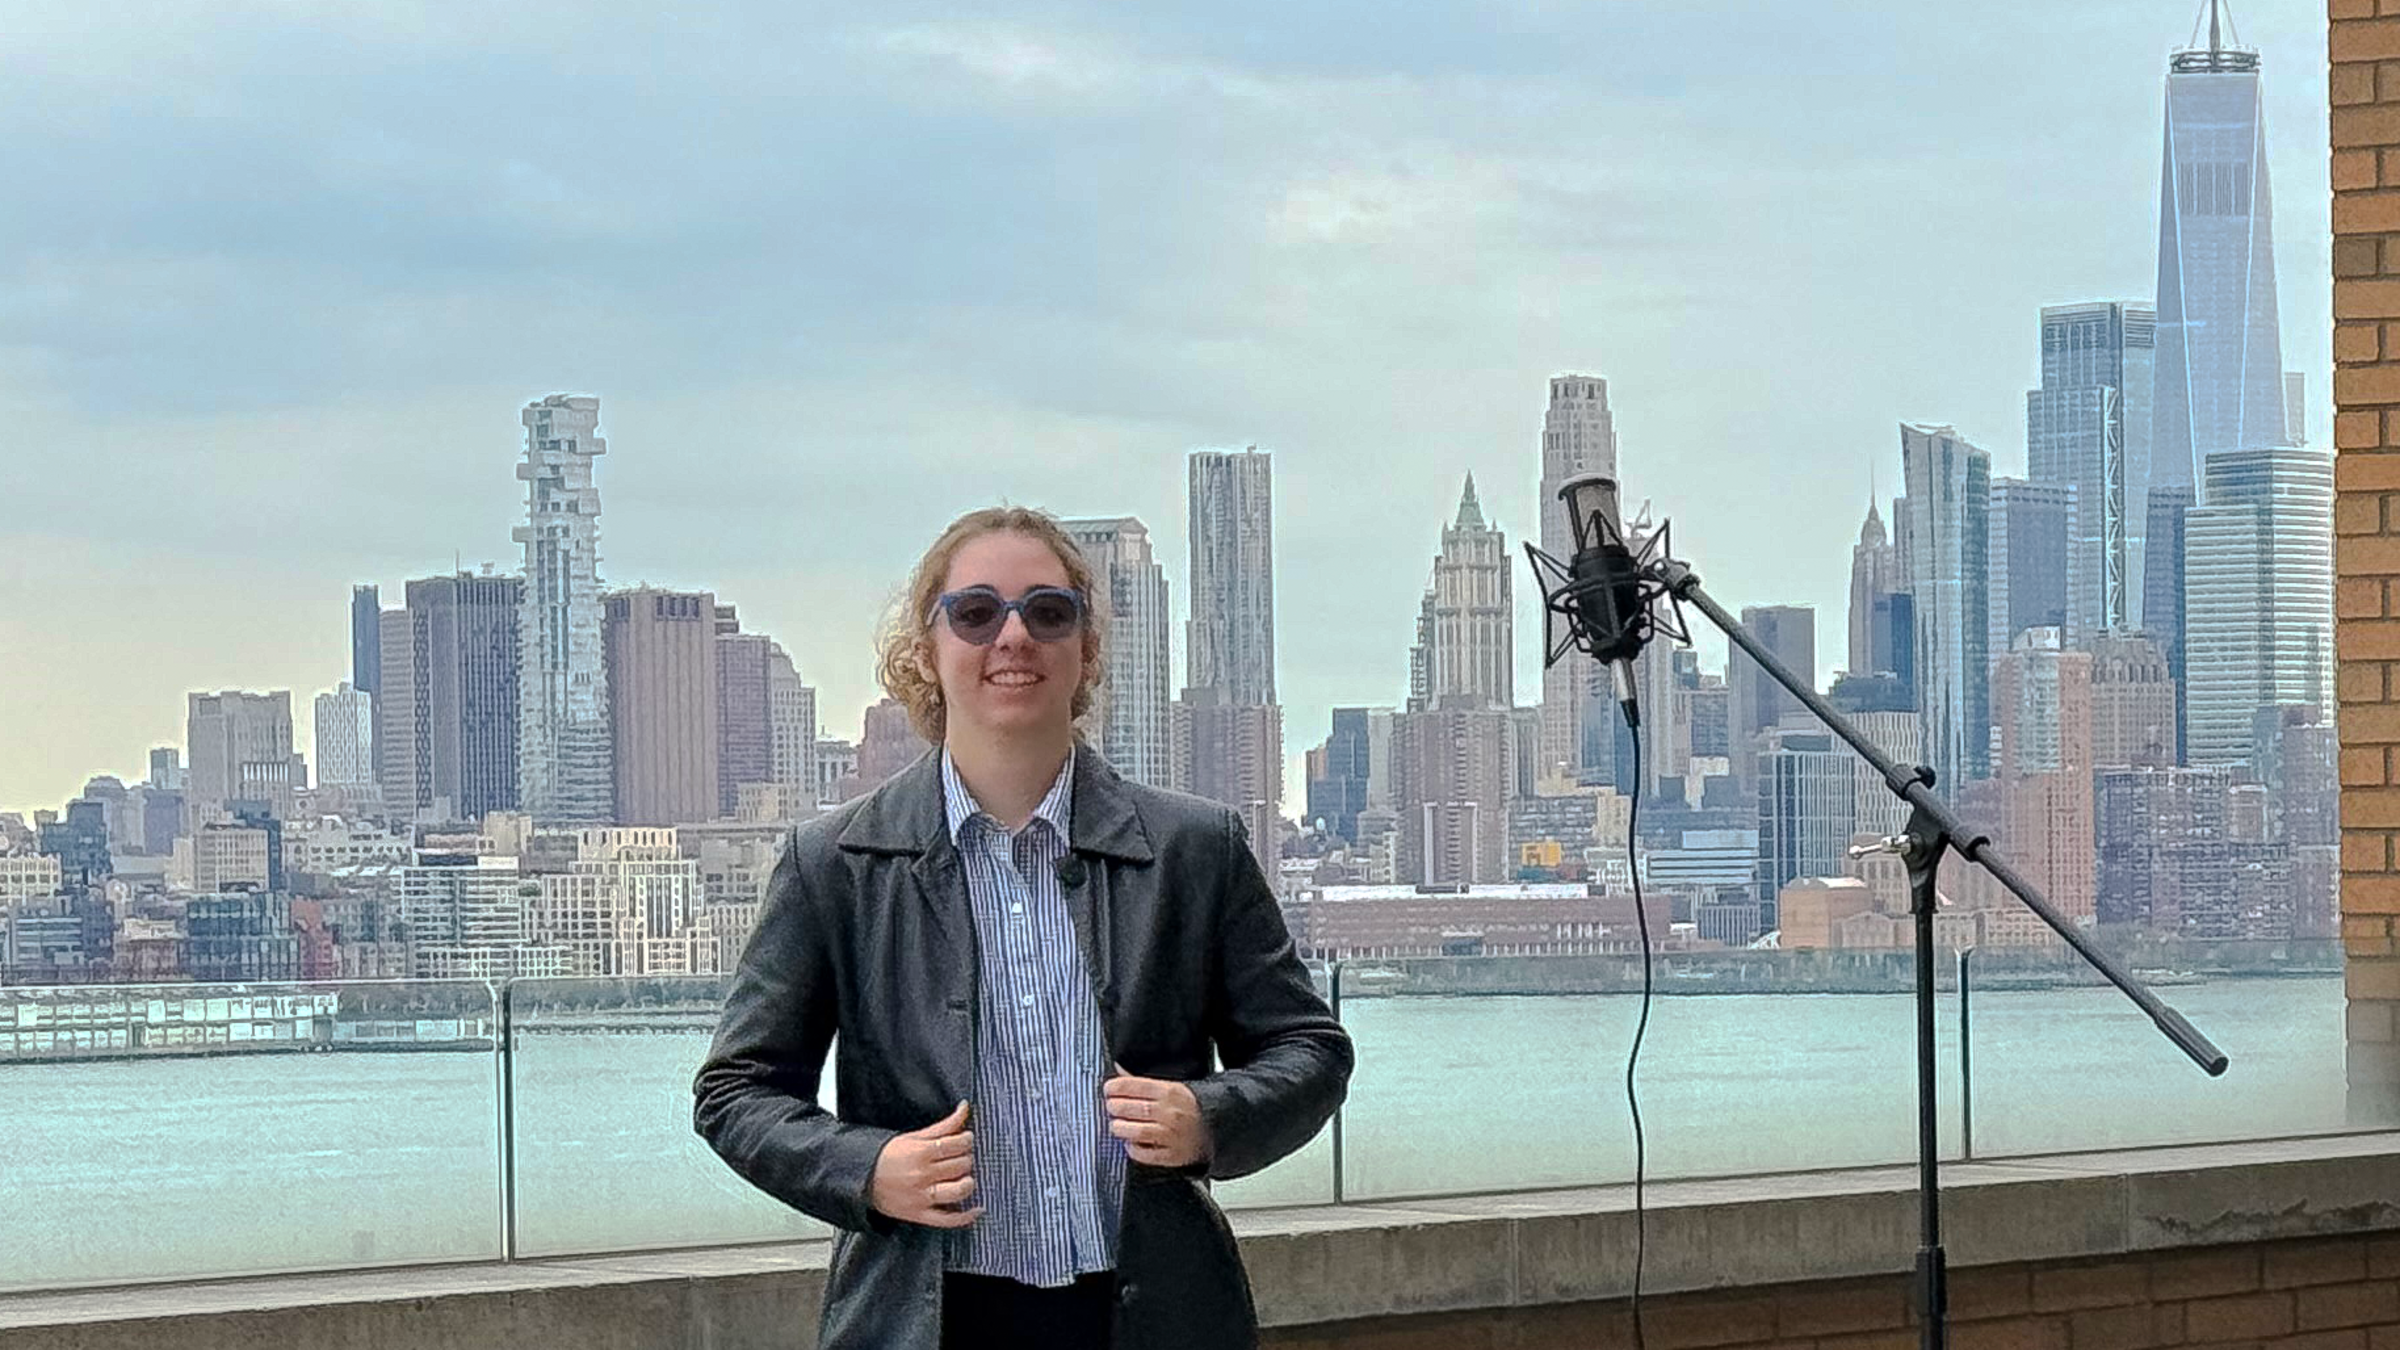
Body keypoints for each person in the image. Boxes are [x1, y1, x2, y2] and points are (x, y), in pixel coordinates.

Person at [694, 505, 1353, 1350]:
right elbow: (735, 1091)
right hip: (923, 1320)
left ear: (1084, 649)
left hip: (1155, 1317)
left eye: (1048, 612)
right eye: (976, 612)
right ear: (927, 649)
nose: (1014, 637)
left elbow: (1311, 1049)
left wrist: (1207, 1116)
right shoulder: (837, 863)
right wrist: (867, 1170)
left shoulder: (1195, 849)